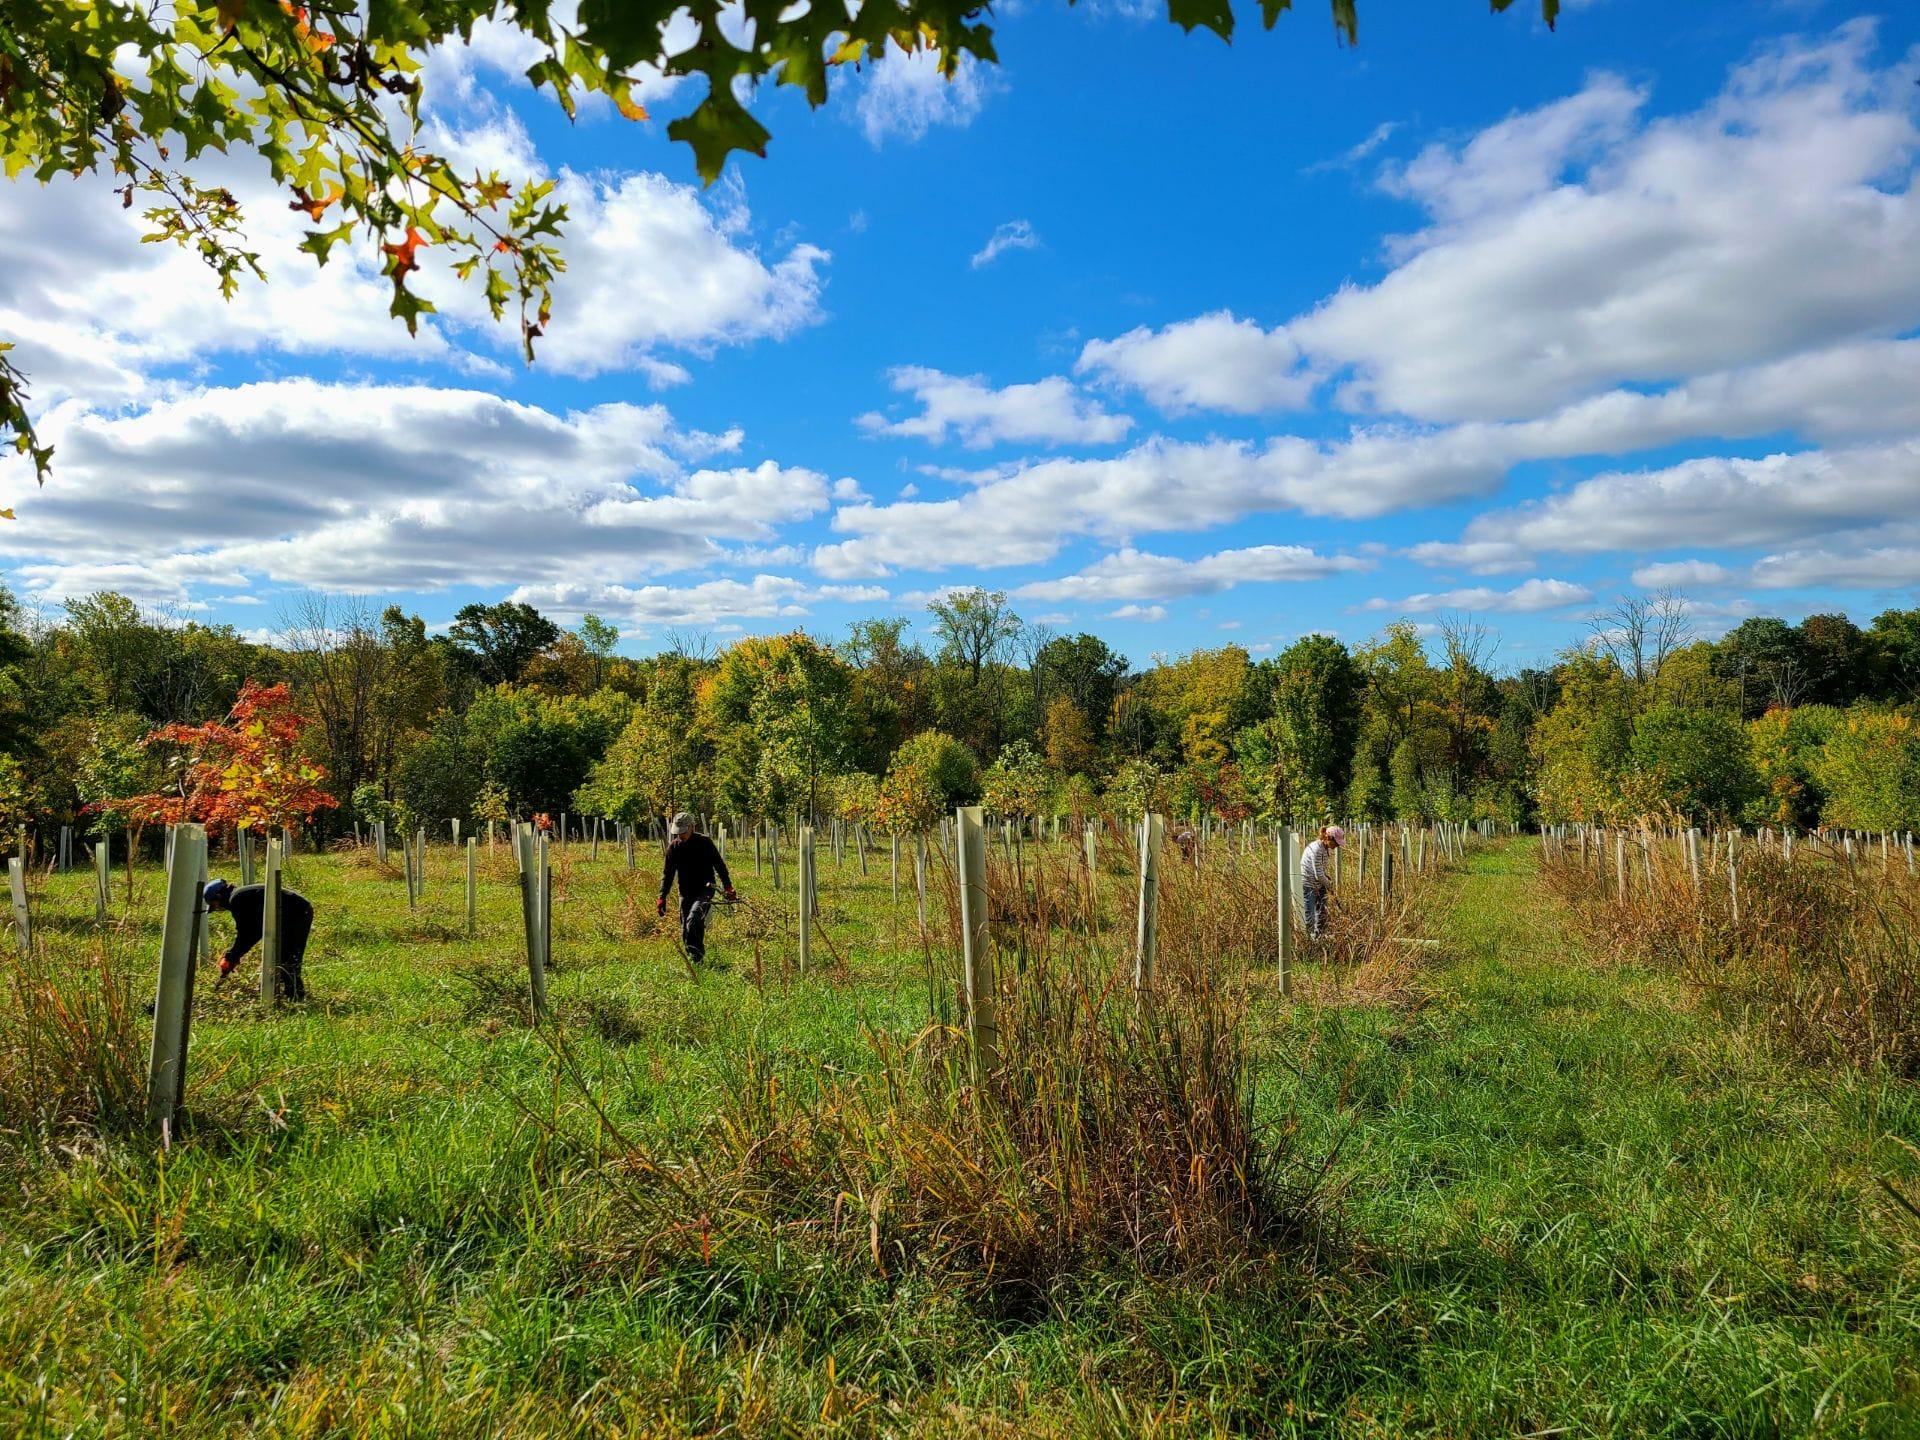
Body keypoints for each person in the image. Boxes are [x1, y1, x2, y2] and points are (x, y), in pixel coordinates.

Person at [204, 876, 314, 1000]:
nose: (219, 909)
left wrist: (232, 956)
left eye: (216, 906)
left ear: (218, 897)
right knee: (282, 958)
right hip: (294, 914)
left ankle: (296, 999)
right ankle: (290, 996)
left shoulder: (237, 900)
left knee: (288, 959)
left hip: (297, 913)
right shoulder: (240, 896)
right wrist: (235, 954)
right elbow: (253, 932)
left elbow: (248, 934)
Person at [657, 812, 736, 964]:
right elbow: (667, 874)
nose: (680, 835)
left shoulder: (705, 843)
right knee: (686, 927)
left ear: (692, 827)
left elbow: (719, 865)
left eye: (683, 832)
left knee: (694, 919)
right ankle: (694, 960)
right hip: (685, 891)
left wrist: (728, 887)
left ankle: (698, 956)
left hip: (705, 889)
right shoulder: (674, 848)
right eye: (677, 832)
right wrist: (662, 896)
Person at [1300, 825, 1343, 939]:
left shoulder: (1324, 849)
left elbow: (1320, 870)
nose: (1337, 845)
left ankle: (1319, 937)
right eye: (1336, 843)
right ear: (1328, 838)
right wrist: (1329, 885)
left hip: (1319, 883)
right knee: (1310, 915)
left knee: (1322, 912)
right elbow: (1318, 874)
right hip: (1309, 884)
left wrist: (1326, 878)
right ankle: (1308, 939)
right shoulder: (1316, 849)